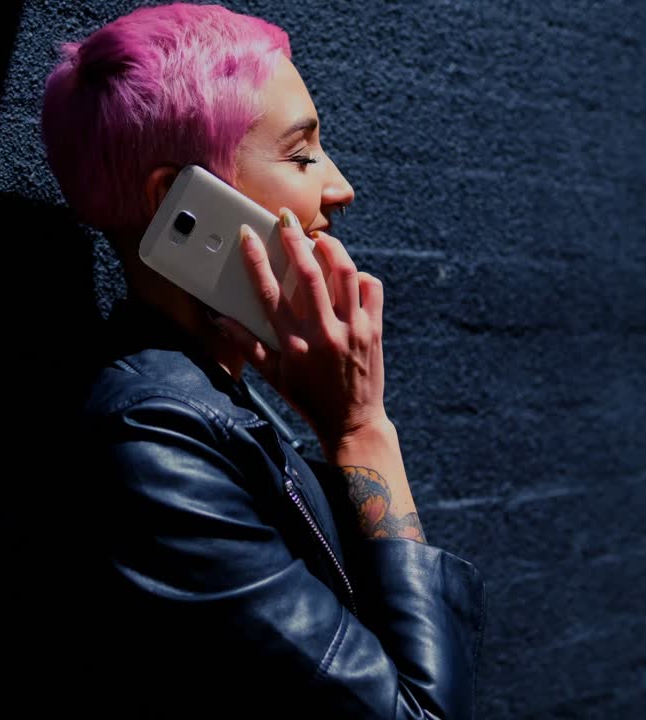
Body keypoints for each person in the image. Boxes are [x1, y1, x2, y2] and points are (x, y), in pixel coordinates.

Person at [41, 4, 486, 717]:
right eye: (303, 154)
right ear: (179, 203)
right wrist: (362, 429)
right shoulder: (155, 441)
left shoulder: (206, 406)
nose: (339, 188)